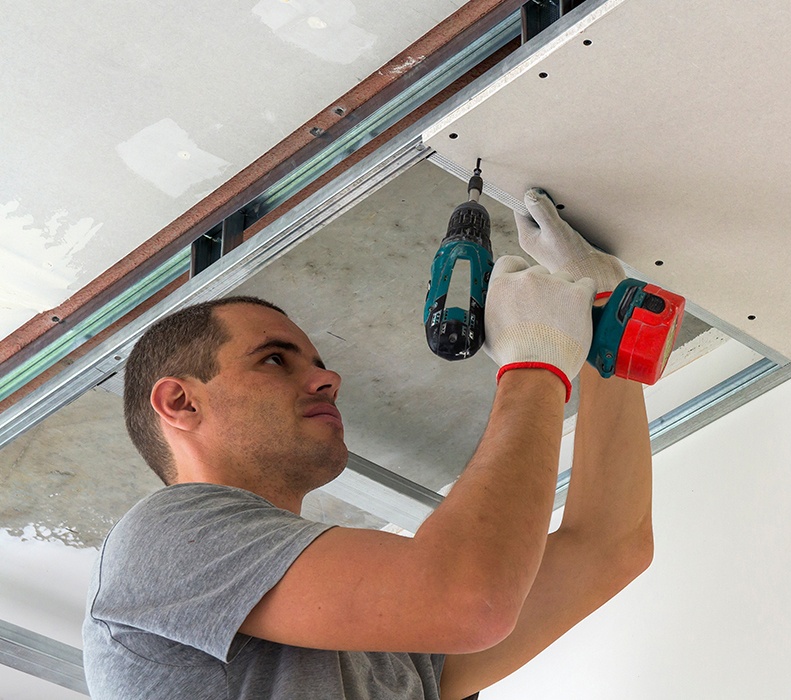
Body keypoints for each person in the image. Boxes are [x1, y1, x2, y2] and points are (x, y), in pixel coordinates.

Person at [81, 189, 654, 699]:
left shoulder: (382, 638)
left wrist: (605, 319)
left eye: (319, 364)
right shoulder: (165, 538)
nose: (328, 379)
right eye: (274, 359)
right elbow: (470, 600)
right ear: (179, 403)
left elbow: (610, 546)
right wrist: (535, 362)